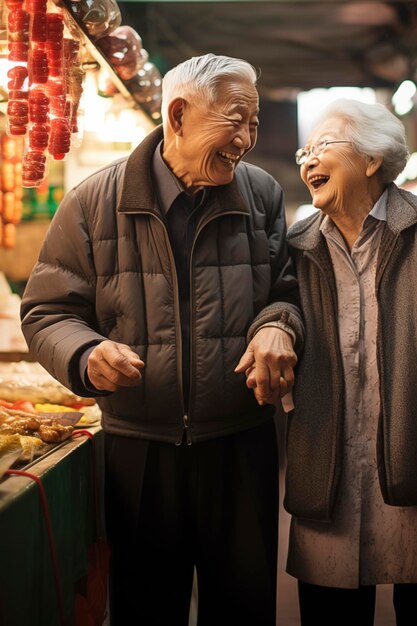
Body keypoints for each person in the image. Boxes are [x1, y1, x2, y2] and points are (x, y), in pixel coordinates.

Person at [20, 53, 303, 626]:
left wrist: (279, 323)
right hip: (138, 453)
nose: (248, 139)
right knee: (147, 608)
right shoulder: (93, 204)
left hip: (241, 447)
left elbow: (289, 289)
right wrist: (84, 353)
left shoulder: (262, 195)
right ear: (178, 114)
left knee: (244, 608)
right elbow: (48, 310)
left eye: (254, 124)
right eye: (237, 121)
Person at [284, 97, 417, 626]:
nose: (307, 160)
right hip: (328, 467)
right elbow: (276, 302)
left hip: (411, 459)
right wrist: (273, 325)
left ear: (370, 160)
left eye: (323, 146)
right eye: (304, 150)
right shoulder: (297, 246)